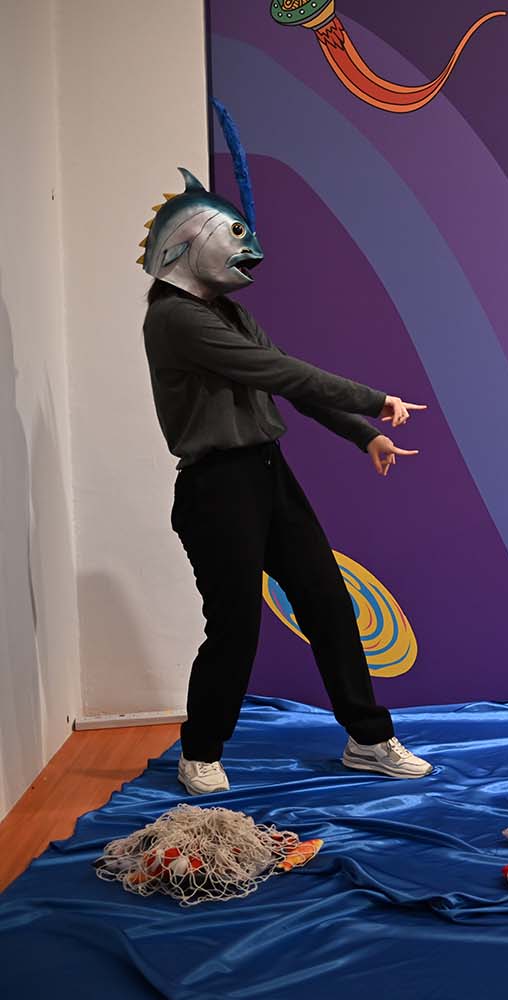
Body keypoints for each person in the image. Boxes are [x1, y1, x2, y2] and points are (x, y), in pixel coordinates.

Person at [140, 166, 433, 795]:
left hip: (269, 473)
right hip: (216, 488)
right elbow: (284, 373)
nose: (252, 254)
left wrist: (365, 433)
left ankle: (368, 738)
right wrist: (376, 400)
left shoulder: (230, 315)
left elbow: (282, 384)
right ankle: (200, 750)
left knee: (327, 602)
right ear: (192, 243)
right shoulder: (174, 319)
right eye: (237, 238)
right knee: (237, 623)